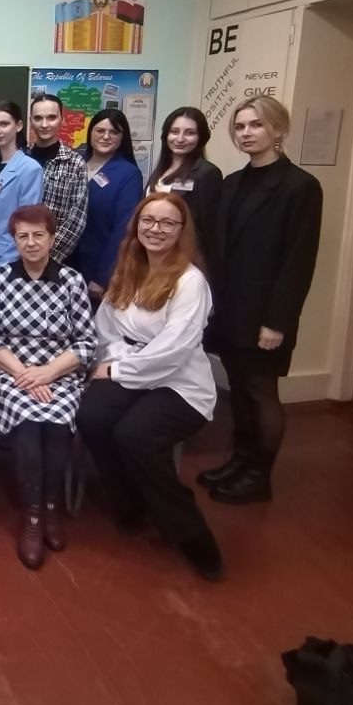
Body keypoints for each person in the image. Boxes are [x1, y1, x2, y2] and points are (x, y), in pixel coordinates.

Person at [79, 192, 224, 580]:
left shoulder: (190, 282)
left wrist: (117, 370)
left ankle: (191, 535)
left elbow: (173, 350)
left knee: (135, 436)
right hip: (129, 368)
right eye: (148, 221)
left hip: (178, 382)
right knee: (91, 417)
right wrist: (110, 362)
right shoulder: (129, 267)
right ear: (137, 226)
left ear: (181, 231)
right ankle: (129, 504)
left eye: (167, 223)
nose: (156, 229)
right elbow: (106, 327)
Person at [200, 96, 322, 505]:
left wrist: (278, 321)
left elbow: (298, 261)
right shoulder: (232, 183)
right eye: (240, 127)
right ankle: (240, 461)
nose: (246, 133)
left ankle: (258, 476)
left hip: (266, 312)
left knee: (261, 391)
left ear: (277, 130)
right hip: (230, 307)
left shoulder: (300, 187)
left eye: (255, 125)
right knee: (238, 387)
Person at [0, 205, 95, 570]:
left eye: (38, 235)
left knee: (57, 424)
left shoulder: (71, 281)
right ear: (14, 240)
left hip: (60, 374)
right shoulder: (0, 278)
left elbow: (86, 343)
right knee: (28, 422)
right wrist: (24, 374)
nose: (30, 243)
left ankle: (50, 506)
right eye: (22, 236)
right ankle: (31, 515)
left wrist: (46, 373)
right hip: (11, 374)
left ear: (52, 238)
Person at [72, 109, 144, 302]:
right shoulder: (76, 163)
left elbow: (123, 229)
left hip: (97, 270)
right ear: (90, 132)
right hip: (67, 262)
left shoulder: (128, 174)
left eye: (114, 132)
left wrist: (102, 276)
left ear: (123, 137)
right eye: (100, 130)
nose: (106, 136)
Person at [0, 101, 44, 285]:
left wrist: (8, 262)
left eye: (4, 124)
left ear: (18, 126)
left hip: (7, 262)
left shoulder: (29, 169)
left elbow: (26, 224)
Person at [145, 107, 223, 276]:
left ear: (201, 137)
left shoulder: (207, 173)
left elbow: (210, 230)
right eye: (174, 132)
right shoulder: (160, 171)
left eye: (189, 133)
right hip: (153, 256)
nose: (180, 139)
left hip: (185, 260)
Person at [28, 94, 88, 261]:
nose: (44, 124)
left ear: (62, 119)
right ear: (31, 121)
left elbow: (76, 220)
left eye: (51, 117)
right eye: (38, 118)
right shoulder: (20, 159)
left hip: (56, 259)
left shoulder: (75, 164)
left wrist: (45, 256)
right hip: (18, 254)